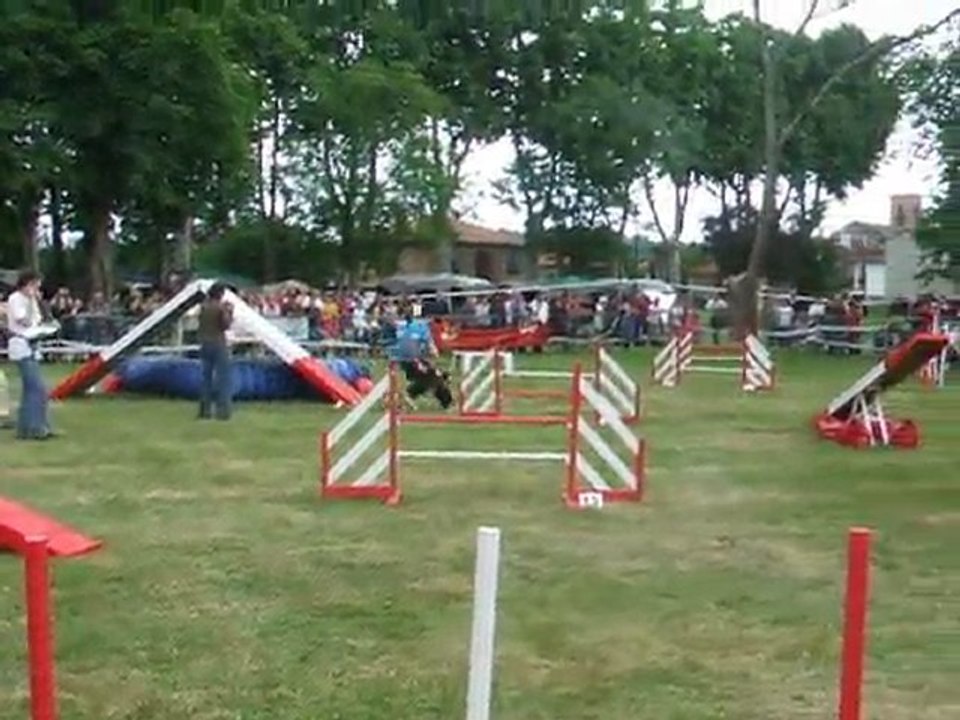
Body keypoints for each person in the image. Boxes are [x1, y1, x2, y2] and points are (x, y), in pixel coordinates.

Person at [6, 271, 56, 440]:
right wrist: (29, 304)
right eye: (35, 285)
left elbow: (37, 320)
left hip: (33, 346)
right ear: (27, 284)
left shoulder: (32, 300)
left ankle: (29, 427)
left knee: (31, 389)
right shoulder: (15, 299)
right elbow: (23, 320)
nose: (37, 289)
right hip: (20, 346)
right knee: (37, 388)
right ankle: (36, 427)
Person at [391, 314, 452, 410]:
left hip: (405, 361)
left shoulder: (406, 327)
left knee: (433, 377)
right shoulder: (422, 329)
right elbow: (432, 350)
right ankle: (411, 393)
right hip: (413, 361)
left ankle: (446, 401)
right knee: (434, 377)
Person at [197, 283, 234, 420]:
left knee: (206, 378)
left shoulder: (204, 307)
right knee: (223, 378)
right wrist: (229, 312)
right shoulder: (220, 308)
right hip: (218, 343)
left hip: (205, 342)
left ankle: (204, 411)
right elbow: (225, 325)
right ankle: (223, 411)